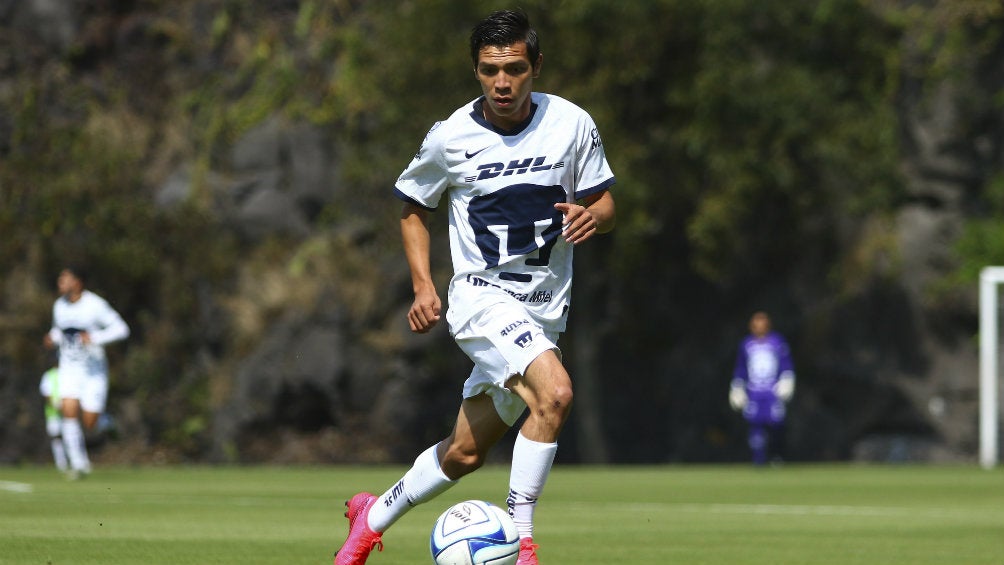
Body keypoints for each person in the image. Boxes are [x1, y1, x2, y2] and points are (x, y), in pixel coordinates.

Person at [333, 9, 616, 565]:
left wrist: (593, 216)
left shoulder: (572, 124)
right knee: (554, 393)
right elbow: (413, 206)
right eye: (489, 70)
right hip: (481, 299)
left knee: (464, 453)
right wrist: (422, 286)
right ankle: (523, 538)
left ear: (535, 66)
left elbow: (605, 201)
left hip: (544, 314)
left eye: (513, 68)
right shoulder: (450, 137)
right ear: (477, 70)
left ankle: (372, 517)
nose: (502, 82)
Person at [42, 265, 130, 479]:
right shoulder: (59, 306)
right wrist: (52, 338)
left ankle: (106, 423)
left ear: (78, 282)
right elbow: (59, 330)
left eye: (65, 278)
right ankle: (80, 464)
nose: (60, 283)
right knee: (68, 410)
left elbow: (121, 329)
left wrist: (95, 338)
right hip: (69, 369)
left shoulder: (95, 305)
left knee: (90, 423)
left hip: (93, 371)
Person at [729, 311, 795, 465]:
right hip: (754, 392)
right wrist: (737, 387)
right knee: (755, 425)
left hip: (772, 391)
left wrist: (787, 381)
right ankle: (758, 460)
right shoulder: (746, 345)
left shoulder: (777, 342)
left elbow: (786, 365)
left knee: (776, 424)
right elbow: (741, 369)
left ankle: (777, 457)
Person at [39, 366, 68, 472]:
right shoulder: (49, 375)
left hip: (68, 414)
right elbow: (46, 394)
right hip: (53, 414)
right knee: (56, 438)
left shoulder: (69, 372)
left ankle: (76, 462)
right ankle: (61, 463)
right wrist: (56, 405)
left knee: (70, 436)